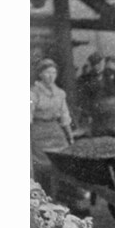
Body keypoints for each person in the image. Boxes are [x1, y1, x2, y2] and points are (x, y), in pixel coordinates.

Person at [30, 58, 90, 217]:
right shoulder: (33, 93)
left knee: (66, 163)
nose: (51, 76)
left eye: (54, 73)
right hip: (38, 133)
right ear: (40, 74)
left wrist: (70, 137)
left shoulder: (60, 93)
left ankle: (69, 199)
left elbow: (64, 117)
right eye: (47, 73)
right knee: (44, 168)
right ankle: (45, 204)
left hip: (55, 132)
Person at [76, 51, 115, 134]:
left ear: (104, 62)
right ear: (91, 65)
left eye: (100, 63)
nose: (98, 66)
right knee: (101, 135)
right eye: (95, 64)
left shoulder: (114, 74)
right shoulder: (86, 79)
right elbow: (84, 98)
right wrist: (87, 114)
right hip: (97, 113)